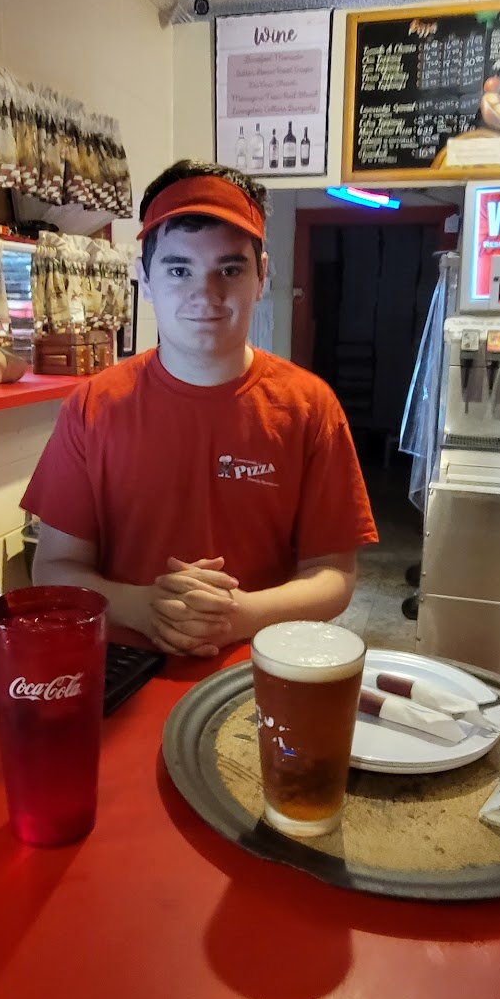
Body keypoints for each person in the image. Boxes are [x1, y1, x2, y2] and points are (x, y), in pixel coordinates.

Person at [23, 161, 377, 656]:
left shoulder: (309, 407)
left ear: (261, 276)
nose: (205, 295)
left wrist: (238, 615)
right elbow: (54, 567)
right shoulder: (92, 407)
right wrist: (142, 607)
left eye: (229, 270)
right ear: (145, 279)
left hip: (258, 668)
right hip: (123, 669)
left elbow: (333, 575)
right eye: (179, 270)